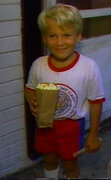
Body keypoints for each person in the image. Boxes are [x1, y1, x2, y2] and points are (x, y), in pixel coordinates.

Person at [25, 4, 105, 178]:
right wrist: (33, 104)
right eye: (52, 36)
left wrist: (93, 134)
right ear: (45, 38)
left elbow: (96, 102)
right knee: (49, 160)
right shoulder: (39, 65)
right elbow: (30, 88)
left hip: (72, 127)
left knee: (70, 164)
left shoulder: (88, 67)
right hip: (44, 126)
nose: (60, 42)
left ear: (78, 36)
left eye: (67, 35)